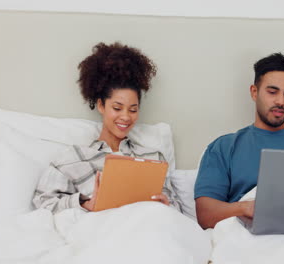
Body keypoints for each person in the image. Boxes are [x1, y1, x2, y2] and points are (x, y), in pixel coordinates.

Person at [33, 42, 181, 213]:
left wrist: (166, 206)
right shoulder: (73, 158)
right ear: (101, 105)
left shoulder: (153, 158)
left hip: (146, 227)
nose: (126, 117)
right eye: (117, 108)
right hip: (101, 229)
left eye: (133, 109)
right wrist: (85, 204)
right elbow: (42, 204)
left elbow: (177, 211)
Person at [194, 53, 284, 229]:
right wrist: (247, 208)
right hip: (250, 237)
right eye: (272, 92)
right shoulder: (224, 147)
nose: (280, 101)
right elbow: (205, 215)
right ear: (254, 92)